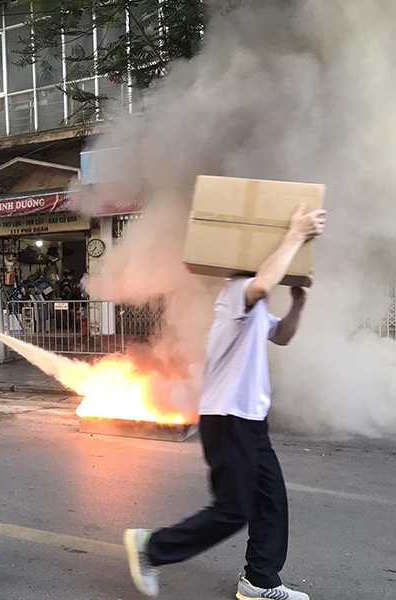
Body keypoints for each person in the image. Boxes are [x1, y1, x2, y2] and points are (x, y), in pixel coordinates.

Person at [124, 204, 327, 600]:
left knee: (271, 502)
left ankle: (260, 581)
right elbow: (263, 285)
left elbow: (281, 335)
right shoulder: (237, 291)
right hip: (229, 417)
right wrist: (296, 233)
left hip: (249, 419)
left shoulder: (254, 303)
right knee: (234, 508)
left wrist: (299, 303)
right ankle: (152, 549)